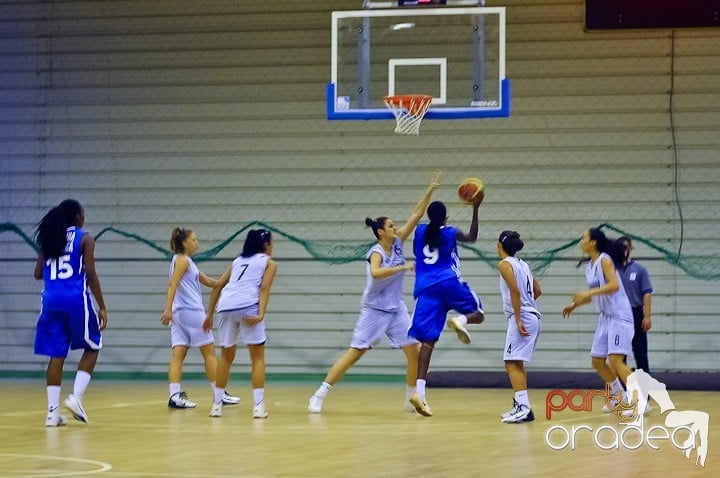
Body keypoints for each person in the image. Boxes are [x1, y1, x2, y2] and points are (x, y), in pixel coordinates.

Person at [308, 173, 442, 414]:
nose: (395, 227)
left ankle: (411, 398)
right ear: (381, 232)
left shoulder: (398, 241)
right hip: (375, 310)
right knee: (355, 354)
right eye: (390, 225)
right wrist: (404, 266)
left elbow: (417, 214)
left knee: (414, 350)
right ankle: (320, 393)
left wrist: (430, 190)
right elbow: (377, 272)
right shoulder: (376, 252)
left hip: (396, 308)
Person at [408, 193, 486, 417]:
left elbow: (419, 228)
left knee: (428, 343)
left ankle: (420, 394)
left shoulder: (420, 231)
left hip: (426, 289)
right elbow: (471, 237)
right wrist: (475, 208)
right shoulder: (450, 232)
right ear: (446, 217)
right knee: (477, 313)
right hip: (447, 282)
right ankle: (460, 320)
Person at [33, 199, 108, 426]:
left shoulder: (49, 238)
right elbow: (91, 273)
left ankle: (52, 413)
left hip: (51, 301)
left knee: (57, 354)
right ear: (77, 217)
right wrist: (102, 305)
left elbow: (38, 274)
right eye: (83, 214)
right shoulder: (85, 237)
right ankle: (76, 397)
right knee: (93, 346)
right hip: (75, 299)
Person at [160, 227, 240, 409]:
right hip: (191, 312)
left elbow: (212, 282)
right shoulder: (183, 261)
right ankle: (220, 394)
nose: (197, 243)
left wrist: (230, 276)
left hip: (180, 315)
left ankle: (174, 396)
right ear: (184, 243)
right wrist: (167, 309)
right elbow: (172, 285)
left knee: (178, 354)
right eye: (194, 240)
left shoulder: (185, 262)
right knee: (209, 353)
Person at [561, 228, 637, 412]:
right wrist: (576, 304)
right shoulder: (590, 266)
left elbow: (614, 285)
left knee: (616, 360)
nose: (581, 241)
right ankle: (619, 397)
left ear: (593, 242)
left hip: (619, 316)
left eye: (583, 237)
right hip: (605, 317)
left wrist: (589, 292)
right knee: (597, 361)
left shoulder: (604, 259)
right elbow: (595, 293)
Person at [204, 229, 278, 419]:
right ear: (266, 245)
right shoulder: (268, 263)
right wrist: (261, 314)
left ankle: (217, 405)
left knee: (226, 357)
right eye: (272, 243)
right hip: (248, 307)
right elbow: (264, 288)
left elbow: (219, 285)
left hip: (226, 307)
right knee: (258, 358)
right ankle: (258, 407)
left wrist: (209, 314)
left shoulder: (237, 261)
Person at [496, 230, 542, 424]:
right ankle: (522, 406)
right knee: (517, 362)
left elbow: (514, 290)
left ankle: (523, 408)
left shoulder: (505, 264)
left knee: (510, 362)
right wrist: (527, 305)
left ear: (500, 245)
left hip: (522, 316)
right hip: (533, 315)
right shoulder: (523, 264)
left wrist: (518, 318)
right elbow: (538, 290)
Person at [617, 236, 653, 373]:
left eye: (626, 248)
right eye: (620, 248)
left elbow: (647, 293)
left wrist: (647, 316)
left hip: (636, 313)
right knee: (619, 355)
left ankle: (645, 391)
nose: (623, 251)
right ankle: (622, 391)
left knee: (641, 353)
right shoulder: (612, 269)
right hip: (619, 315)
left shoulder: (639, 270)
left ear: (631, 249)